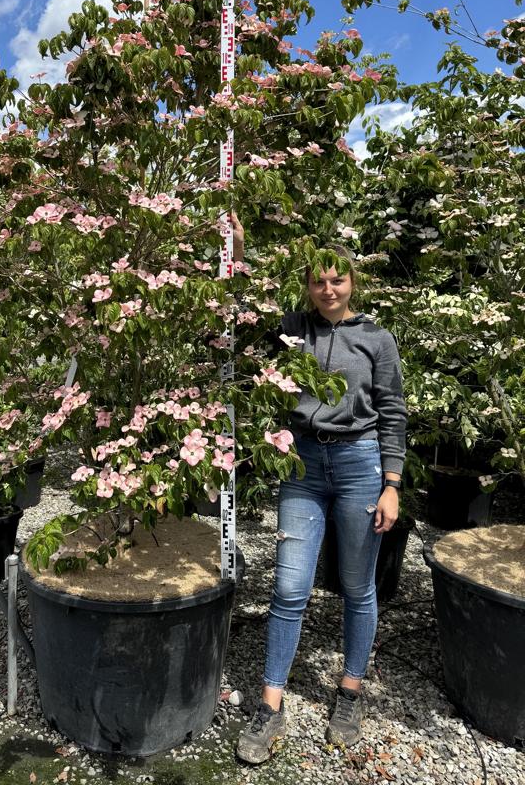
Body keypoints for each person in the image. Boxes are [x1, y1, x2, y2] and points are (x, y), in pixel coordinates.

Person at [229, 214, 406, 762]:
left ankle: (350, 691)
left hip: (360, 464)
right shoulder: (294, 330)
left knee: (358, 587)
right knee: (288, 588)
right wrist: (239, 250)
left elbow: (393, 412)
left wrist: (392, 483)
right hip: (302, 465)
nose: (328, 290)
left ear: (352, 282)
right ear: (308, 286)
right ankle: (271, 704)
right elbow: (244, 317)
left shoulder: (375, 337)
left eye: (338, 280)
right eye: (318, 281)